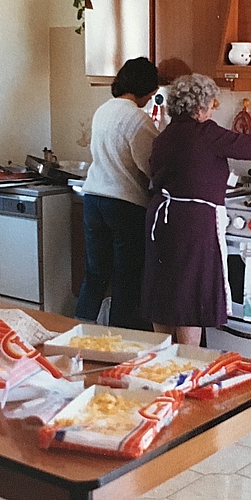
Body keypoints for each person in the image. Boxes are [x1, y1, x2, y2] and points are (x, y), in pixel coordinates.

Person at [141, 74, 251, 345]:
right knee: (190, 295)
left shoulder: (166, 135)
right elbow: (242, 144)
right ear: (199, 108)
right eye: (210, 104)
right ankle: (187, 364)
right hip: (193, 223)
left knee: (163, 290)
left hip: (162, 220)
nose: (212, 110)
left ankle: (160, 362)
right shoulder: (205, 132)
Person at [75, 57, 160, 330]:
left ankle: (79, 332)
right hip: (124, 205)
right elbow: (151, 165)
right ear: (145, 88)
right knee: (126, 279)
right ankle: (120, 344)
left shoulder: (103, 110)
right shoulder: (137, 118)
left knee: (95, 273)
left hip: (93, 199)